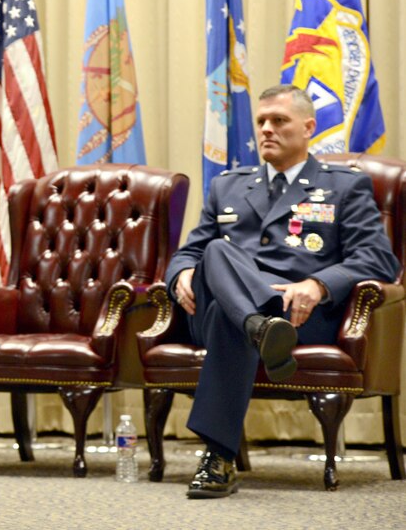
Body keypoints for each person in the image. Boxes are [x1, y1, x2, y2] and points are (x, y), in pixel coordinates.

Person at [166, 85, 400, 499]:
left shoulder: (344, 187)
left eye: (279, 121)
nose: (266, 130)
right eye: (261, 122)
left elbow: (379, 259)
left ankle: (218, 458)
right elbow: (190, 251)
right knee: (216, 250)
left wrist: (319, 284)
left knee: (225, 314)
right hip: (260, 319)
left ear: (308, 128)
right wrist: (182, 272)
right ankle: (259, 325)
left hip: (298, 318)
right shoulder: (228, 186)